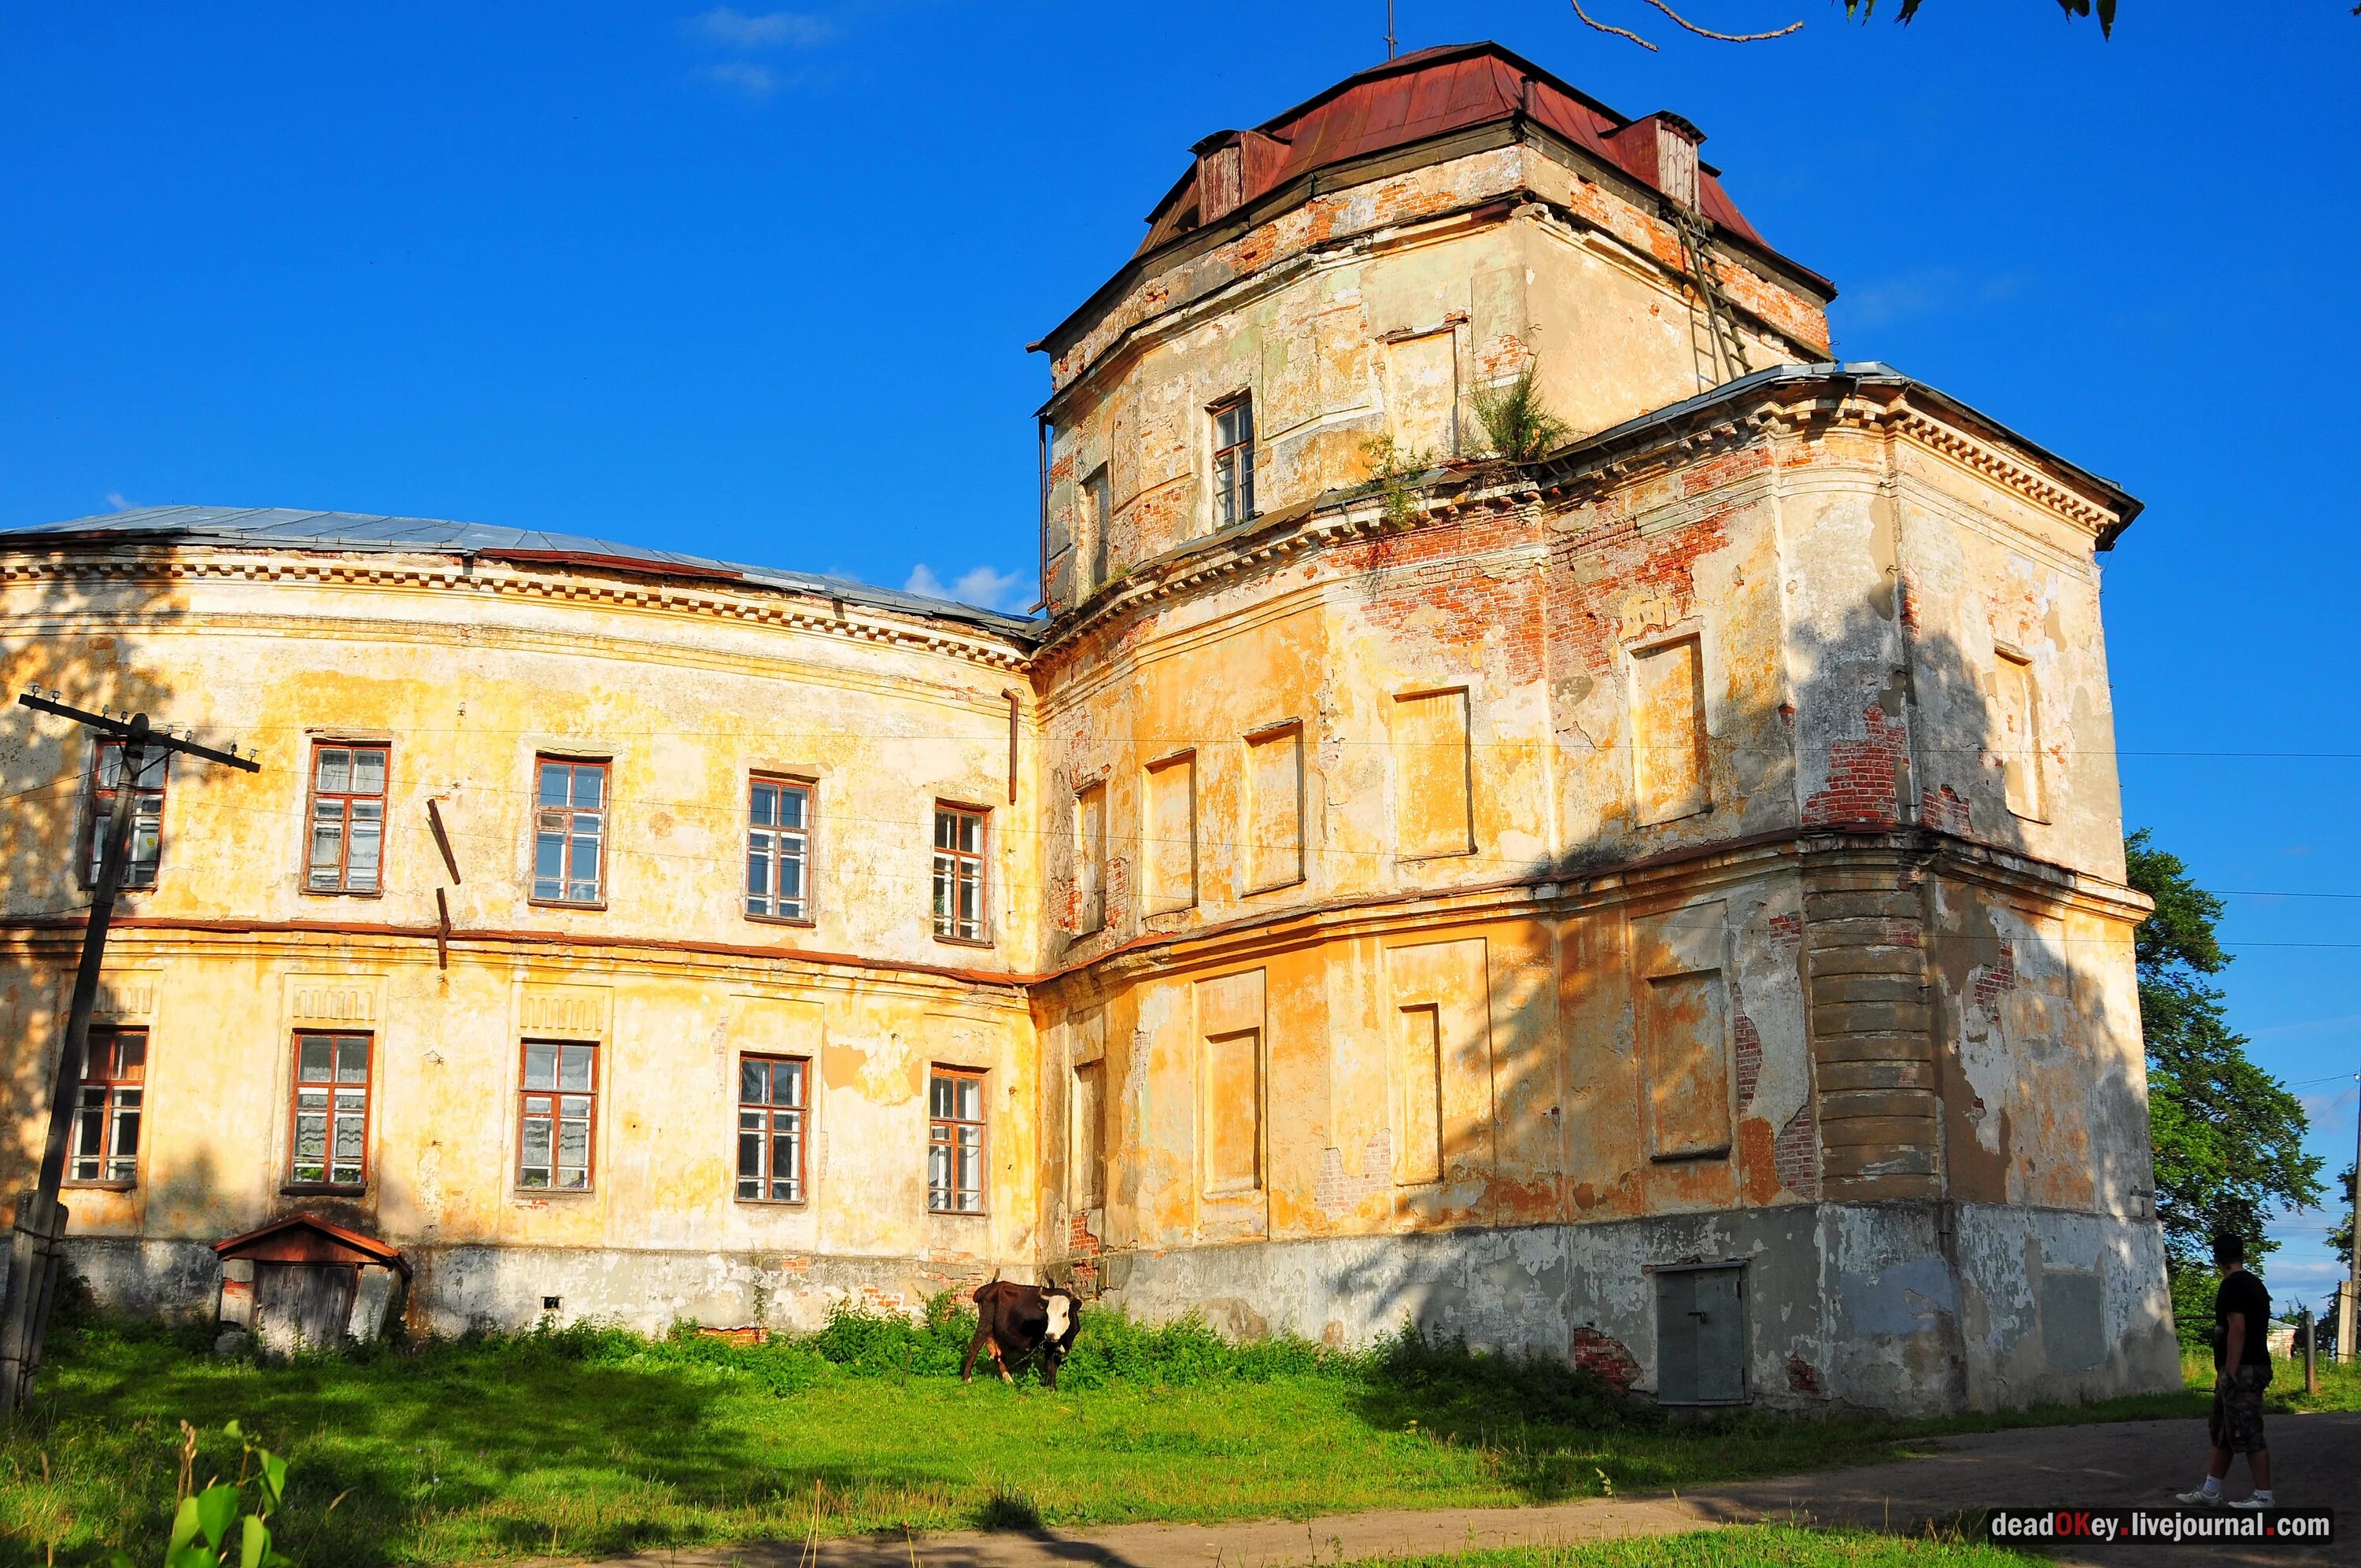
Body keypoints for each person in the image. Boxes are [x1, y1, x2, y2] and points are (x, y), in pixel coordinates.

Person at [2174, 1230, 2275, 1508]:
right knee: (2223, 1430)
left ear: (2218, 1259)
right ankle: (2210, 1491)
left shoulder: (2233, 1286)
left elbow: (2237, 1330)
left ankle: (2264, 1497)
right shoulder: (2255, 1283)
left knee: (2249, 1430)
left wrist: (2230, 1373)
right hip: (2244, 1368)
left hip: (2243, 1371)